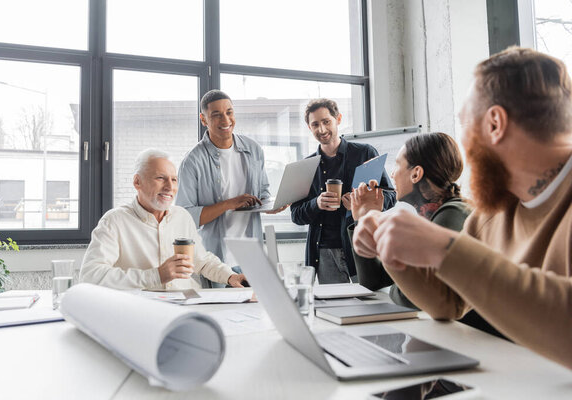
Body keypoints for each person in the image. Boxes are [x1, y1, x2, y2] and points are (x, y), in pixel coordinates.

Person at [353, 47, 572, 368]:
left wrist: (444, 248)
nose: (463, 147)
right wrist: (391, 247)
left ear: (495, 123)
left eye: (465, 124)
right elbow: (448, 304)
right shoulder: (494, 211)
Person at [348, 133, 504, 338]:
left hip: (478, 342)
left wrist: (397, 285)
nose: (392, 174)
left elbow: (414, 297)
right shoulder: (428, 218)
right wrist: (364, 218)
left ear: (416, 174)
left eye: (397, 165)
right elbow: (372, 281)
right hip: (456, 337)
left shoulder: (453, 214)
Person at [80, 149, 247, 290]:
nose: (169, 187)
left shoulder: (182, 216)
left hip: (189, 305)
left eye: (173, 179)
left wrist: (230, 276)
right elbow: (91, 276)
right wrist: (156, 276)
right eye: (160, 178)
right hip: (143, 311)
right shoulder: (114, 221)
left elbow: (201, 261)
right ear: (137, 182)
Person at [176, 90, 287, 284]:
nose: (225, 119)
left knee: (253, 312)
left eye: (229, 112)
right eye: (216, 114)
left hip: (251, 256)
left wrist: (272, 206)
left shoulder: (253, 150)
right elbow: (185, 217)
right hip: (214, 261)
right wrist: (229, 203)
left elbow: (262, 193)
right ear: (203, 119)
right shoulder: (192, 161)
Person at [291, 98, 396, 284]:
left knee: (368, 305)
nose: (321, 130)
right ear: (309, 127)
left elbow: (390, 195)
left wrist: (362, 203)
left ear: (338, 119)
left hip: (360, 245)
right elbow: (297, 215)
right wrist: (316, 203)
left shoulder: (364, 153)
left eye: (326, 122)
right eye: (315, 124)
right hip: (323, 252)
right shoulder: (305, 166)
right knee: (335, 308)